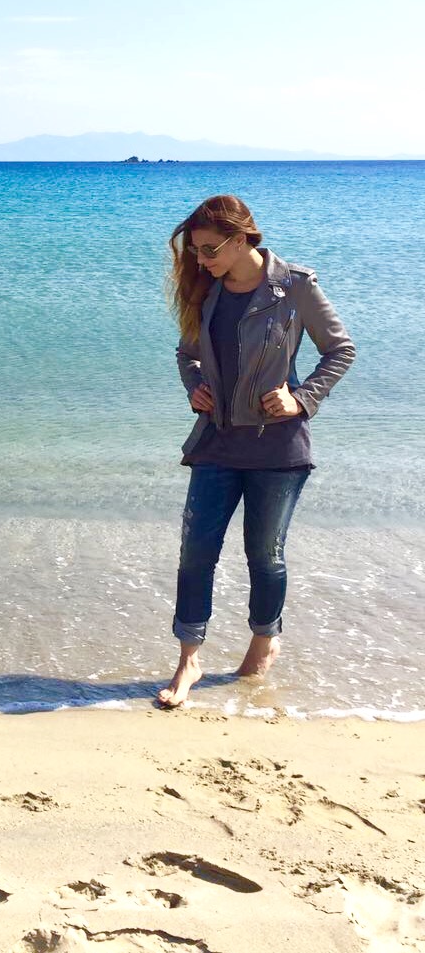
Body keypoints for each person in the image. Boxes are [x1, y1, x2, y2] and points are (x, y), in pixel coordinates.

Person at [158, 195, 355, 707]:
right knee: (196, 552)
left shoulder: (295, 287)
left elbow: (340, 349)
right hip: (215, 442)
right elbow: (187, 353)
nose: (201, 260)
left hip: (278, 448)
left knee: (264, 555)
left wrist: (302, 398)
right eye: (196, 250)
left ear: (242, 237)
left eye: (210, 249)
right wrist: (195, 387)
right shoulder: (207, 290)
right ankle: (188, 660)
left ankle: (264, 643)